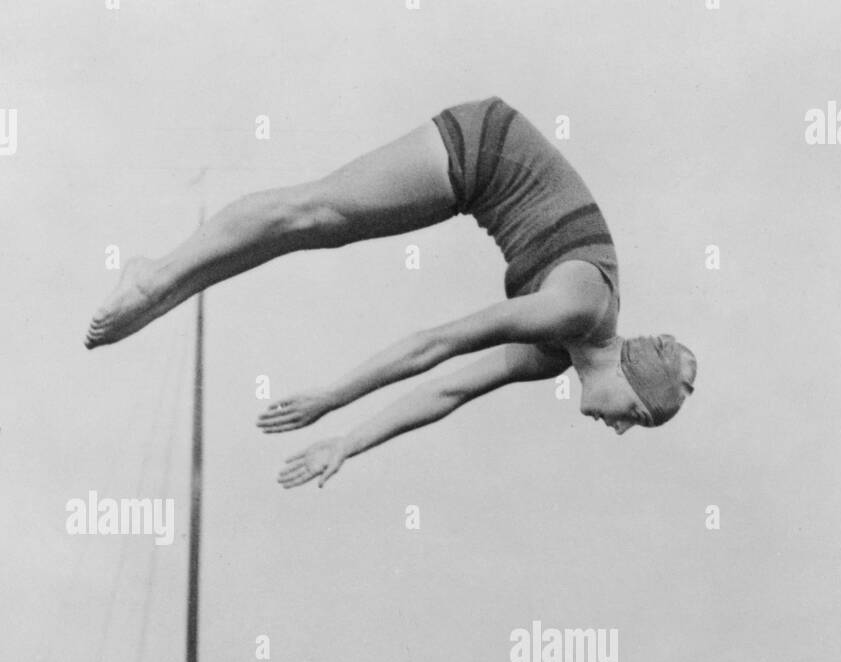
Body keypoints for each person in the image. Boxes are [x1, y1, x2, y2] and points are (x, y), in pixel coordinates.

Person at [86, 98, 696, 476]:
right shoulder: (576, 310)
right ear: (630, 377)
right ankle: (154, 275)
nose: (618, 428)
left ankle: (166, 288)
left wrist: (347, 444)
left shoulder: (554, 357)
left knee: (317, 229)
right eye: (635, 417)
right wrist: (333, 395)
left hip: (482, 179)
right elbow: (436, 343)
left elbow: (445, 392)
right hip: (488, 146)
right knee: (313, 214)